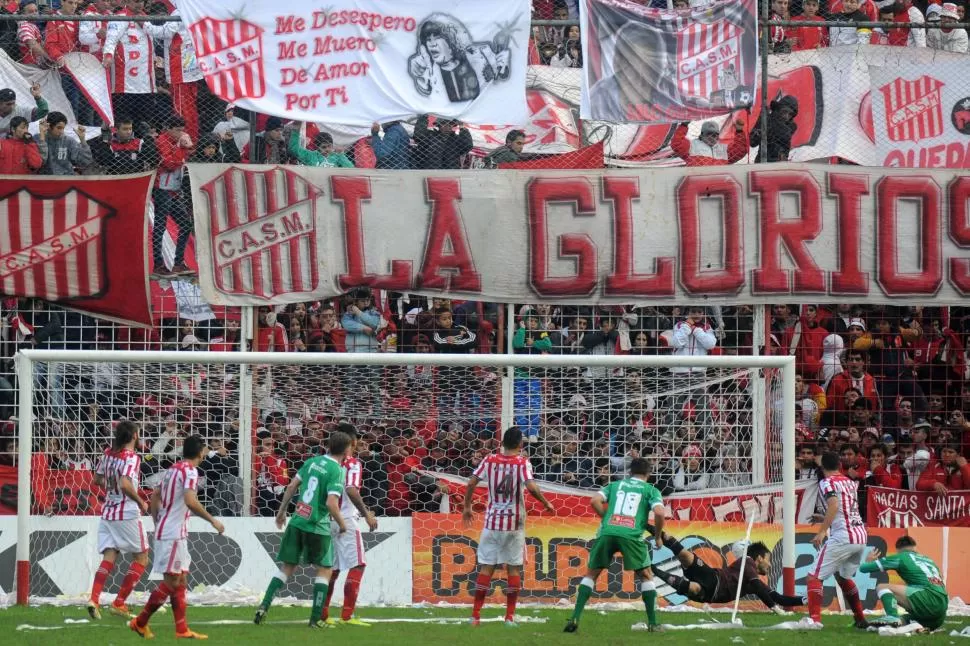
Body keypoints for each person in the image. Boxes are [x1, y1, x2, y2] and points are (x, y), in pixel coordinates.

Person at [129, 434, 225, 639]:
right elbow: (190, 501)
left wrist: (157, 520)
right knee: (173, 582)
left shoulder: (173, 469)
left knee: (181, 579)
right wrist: (212, 520)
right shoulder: (190, 471)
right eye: (205, 449)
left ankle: (181, 629)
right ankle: (140, 622)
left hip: (170, 531)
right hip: (172, 533)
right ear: (200, 452)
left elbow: (156, 495)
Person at [254, 431, 351, 628]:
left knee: (287, 567)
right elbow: (331, 503)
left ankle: (264, 606)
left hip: (297, 520)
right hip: (317, 525)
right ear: (347, 450)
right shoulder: (338, 471)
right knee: (325, 569)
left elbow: (291, 487)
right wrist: (342, 524)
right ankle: (315, 620)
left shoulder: (311, 462)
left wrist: (281, 512)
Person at [462, 426, 555, 626]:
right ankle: (509, 618)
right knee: (513, 569)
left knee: (487, 567)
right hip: (514, 523)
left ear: (502, 443)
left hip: (492, 522)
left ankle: (475, 616)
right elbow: (530, 486)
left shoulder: (489, 460)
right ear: (520, 444)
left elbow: (471, 483)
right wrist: (546, 503)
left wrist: (467, 507)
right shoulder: (522, 463)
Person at [564, 457, 665, 633]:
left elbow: (594, 500)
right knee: (646, 576)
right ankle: (653, 624)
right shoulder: (651, 490)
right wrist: (657, 536)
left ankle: (574, 617)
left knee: (591, 574)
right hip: (631, 535)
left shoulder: (615, 485)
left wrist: (606, 518)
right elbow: (659, 512)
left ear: (630, 472)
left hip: (607, 532)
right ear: (649, 474)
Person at [87, 421, 151, 620]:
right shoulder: (132, 458)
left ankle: (94, 600)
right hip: (126, 513)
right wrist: (141, 501)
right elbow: (125, 484)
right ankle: (119, 603)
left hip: (108, 513)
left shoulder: (107, 454)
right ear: (134, 436)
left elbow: (96, 480)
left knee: (109, 556)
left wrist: (111, 485)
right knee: (142, 558)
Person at [650, 533, 805, 611]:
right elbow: (759, 588)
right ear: (758, 558)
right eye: (768, 559)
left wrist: (804, 600)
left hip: (712, 595)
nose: (770, 564)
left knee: (694, 588)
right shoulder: (747, 562)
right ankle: (652, 530)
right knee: (685, 556)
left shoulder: (752, 580)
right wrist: (775, 608)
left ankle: (652, 569)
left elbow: (778, 597)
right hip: (713, 579)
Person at [320, 423, 380, 627]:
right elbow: (352, 489)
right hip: (345, 518)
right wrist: (367, 515)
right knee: (357, 565)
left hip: (324, 520)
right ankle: (347, 615)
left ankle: (323, 614)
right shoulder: (352, 463)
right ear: (352, 441)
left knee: (332, 568)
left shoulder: (322, 462)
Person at [803, 451, 869, 629]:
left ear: (823, 467)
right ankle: (860, 619)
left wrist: (822, 531)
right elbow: (845, 508)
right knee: (843, 577)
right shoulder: (849, 481)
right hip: (860, 535)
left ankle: (814, 621)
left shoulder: (826, 482)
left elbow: (834, 504)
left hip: (844, 536)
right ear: (839, 466)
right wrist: (823, 518)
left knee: (814, 577)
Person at [860, 536, 948, 631]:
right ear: (915, 547)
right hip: (941, 611)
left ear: (898, 550)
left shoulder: (901, 557)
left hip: (926, 599)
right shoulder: (929, 560)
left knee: (882, 587)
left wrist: (868, 560)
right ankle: (899, 622)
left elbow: (863, 568)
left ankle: (892, 617)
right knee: (906, 619)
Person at [670, 119, 748, 166]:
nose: (712, 137)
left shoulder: (723, 148)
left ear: (718, 136)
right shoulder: (692, 145)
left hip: (719, 185)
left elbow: (740, 151)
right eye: (708, 134)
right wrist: (684, 125)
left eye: (715, 135)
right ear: (702, 135)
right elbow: (677, 144)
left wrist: (739, 131)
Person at [38, 111, 93, 175]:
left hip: (66, 177)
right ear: (49, 126)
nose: (61, 131)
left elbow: (85, 162)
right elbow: (39, 163)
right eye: (59, 128)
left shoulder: (69, 141)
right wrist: (42, 139)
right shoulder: (39, 138)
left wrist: (82, 140)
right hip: (44, 179)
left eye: (63, 128)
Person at [287, 126, 353, 168]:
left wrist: (341, 155)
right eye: (324, 147)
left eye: (329, 146)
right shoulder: (311, 156)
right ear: (317, 147)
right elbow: (294, 150)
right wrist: (296, 131)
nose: (327, 149)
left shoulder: (336, 157)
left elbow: (350, 168)